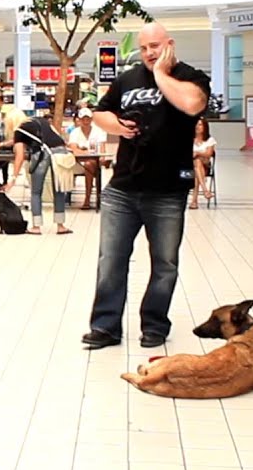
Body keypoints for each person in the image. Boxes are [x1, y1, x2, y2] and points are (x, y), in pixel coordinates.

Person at [83, 22, 211, 350]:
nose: (149, 53)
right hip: (123, 188)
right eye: (143, 48)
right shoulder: (126, 79)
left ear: (169, 44)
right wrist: (118, 126)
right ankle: (105, 327)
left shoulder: (191, 77)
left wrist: (161, 76)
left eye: (155, 46)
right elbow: (100, 114)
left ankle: (154, 325)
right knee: (110, 259)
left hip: (168, 190)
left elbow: (192, 105)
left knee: (164, 262)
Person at [3, 109, 72, 235]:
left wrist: (13, 178)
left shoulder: (19, 131)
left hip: (41, 154)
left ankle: (36, 226)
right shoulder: (40, 120)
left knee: (36, 191)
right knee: (59, 189)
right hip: (60, 151)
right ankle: (61, 226)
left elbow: (20, 156)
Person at [66, 108, 107, 210]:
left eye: (87, 119)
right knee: (87, 165)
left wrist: (82, 150)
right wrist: (86, 152)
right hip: (77, 162)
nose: (85, 122)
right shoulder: (75, 132)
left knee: (89, 165)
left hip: (93, 162)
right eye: (83, 119)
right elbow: (73, 149)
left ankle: (87, 198)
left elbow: (102, 150)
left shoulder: (99, 131)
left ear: (91, 119)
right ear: (79, 120)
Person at [191, 117, 218, 209]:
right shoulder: (189, 139)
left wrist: (197, 153)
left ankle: (194, 201)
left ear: (205, 127)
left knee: (197, 162)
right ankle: (205, 190)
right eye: (196, 125)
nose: (197, 127)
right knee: (197, 164)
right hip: (191, 167)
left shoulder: (210, 140)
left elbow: (208, 154)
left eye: (200, 125)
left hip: (205, 167)